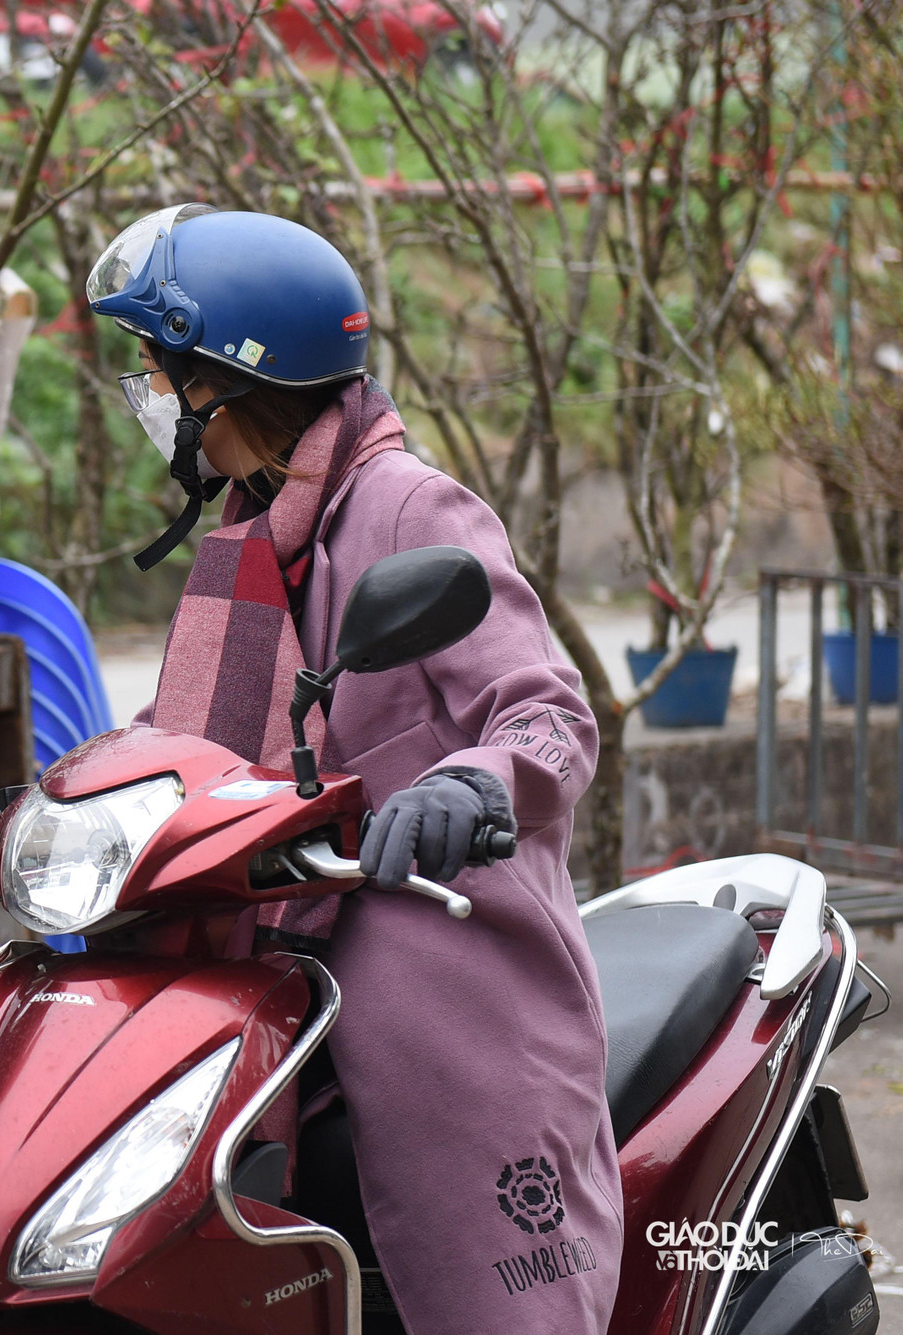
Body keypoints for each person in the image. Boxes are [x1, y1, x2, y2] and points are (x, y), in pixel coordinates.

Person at [87, 204, 619, 1334]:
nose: (144, 399)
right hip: (277, 970)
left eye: (154, 373)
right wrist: (43, 805)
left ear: (229, 381)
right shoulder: (253, 526)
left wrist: (471, 787)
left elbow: (544, 710)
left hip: (430, 966)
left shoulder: (405, 507)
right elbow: (192, 736)